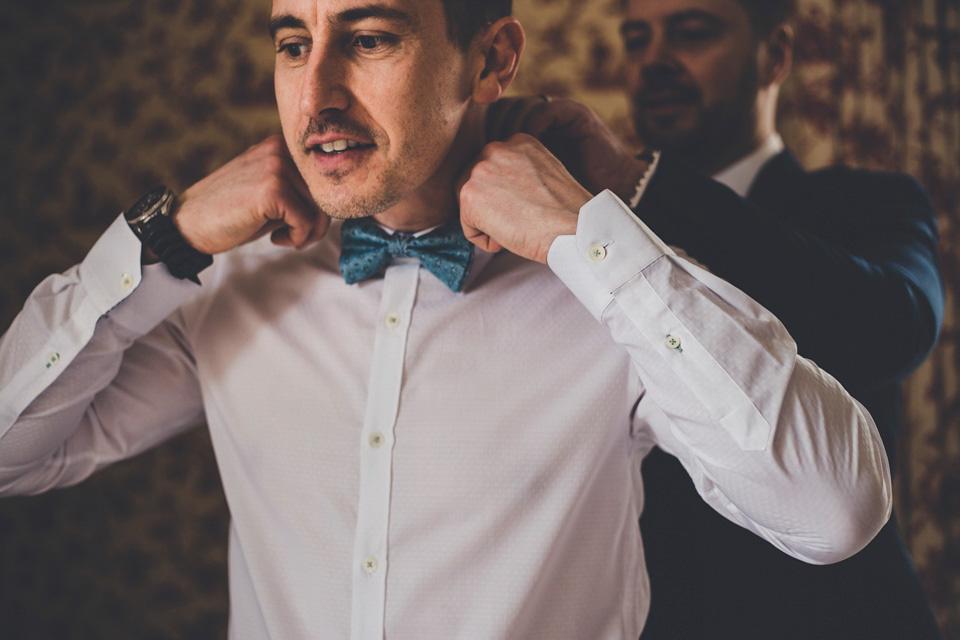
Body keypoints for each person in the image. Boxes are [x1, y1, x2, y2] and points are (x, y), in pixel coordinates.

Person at [0, 0, 894, 638]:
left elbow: (835, 514)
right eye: (291, 42)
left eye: (371, 37)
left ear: (492, 59)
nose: (316, 97)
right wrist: (164, 239)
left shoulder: (615, 288)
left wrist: (593, 243)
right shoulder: (231, 284)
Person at [487, 0, 945, 637]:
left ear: (776, 56)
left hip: (837, 618)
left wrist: (634, 180)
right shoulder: (569, 233)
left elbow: (893, 328)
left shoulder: (866, 203)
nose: (654, 61)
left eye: (692, 32)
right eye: (638, 38)